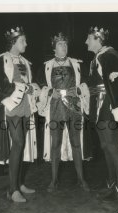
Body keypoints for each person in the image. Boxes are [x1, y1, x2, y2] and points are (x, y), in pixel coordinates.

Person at [85, 26, 118, 201]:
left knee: (112, 145)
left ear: (98, 39)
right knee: (105, 146)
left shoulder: (109, 55)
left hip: (107, 107)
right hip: (99, 107)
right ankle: (112, 184)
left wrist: (116, 107)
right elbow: (96, 84)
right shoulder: (97, 58)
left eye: (89, 39)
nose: (86, 42)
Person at [37, 32, 92, 192]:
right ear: (54, 48)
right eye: (61, 44)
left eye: (65, 44)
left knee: (76, 142)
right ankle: (54, 180)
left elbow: (87, 82)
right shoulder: (46, 66)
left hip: (74, 106)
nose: (64, 47)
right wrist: (48, 92)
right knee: (55, 144)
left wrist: (79, 90)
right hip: (55, 106)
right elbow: (40, 85)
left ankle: (81, 180)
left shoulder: (77, 64)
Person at [0, 26, 40, 202]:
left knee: (22, 145)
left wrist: (34, 87)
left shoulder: (25, 61)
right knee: (18, 143)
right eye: (22, 41)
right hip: (12, 107)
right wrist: (23, 87)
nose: (26, 43)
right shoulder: (1, 60)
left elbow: (28, 83)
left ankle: (18, 184)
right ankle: (12, 190)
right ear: (13, 42)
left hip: (26, 106)